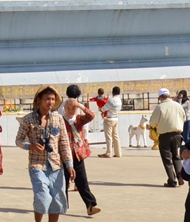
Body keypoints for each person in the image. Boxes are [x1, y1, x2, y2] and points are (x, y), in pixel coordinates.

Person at [16, 86, 74, 222]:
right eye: (47, 99)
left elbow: (64, 143)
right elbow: (18, 140)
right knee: (42, 196)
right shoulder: (28, 120)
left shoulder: (58, 119)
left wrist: (69, 164)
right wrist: (30, 146)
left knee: (57, 198)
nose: (50, 102)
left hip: (56, 166)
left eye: (53, 99)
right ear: (39, 100)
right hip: (37, 165)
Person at [62, 85, 100, 216]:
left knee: (82, 181)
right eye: (68, 108)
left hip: (77, 155)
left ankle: (90, 205)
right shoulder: (60, 121)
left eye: (73, 108)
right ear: (64, 108)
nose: (71, 110)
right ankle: (62, 205)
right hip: (64, 156)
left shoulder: (78, 120)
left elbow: (91, 115)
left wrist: (80, 106)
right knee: (63, 182)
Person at [149, 88, 185, 187]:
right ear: (169, 96)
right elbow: (184, 118)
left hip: (165, 135)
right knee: (176, 156)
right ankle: (180, 175)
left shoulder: (160, 107)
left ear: (160, 97)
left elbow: (153, 122)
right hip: (177, 134)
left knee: (167, 158)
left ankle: (172, 180)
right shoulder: (178, 105)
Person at [97, 87, 122, 158]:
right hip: (116, 119)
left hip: (109, 119)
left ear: (113, 92)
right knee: (115, 136)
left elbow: (104, 108)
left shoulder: (112, 100)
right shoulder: (119, 100)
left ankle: (108, 152)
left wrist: (101, 110)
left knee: (108, 137)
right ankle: (118, 153)